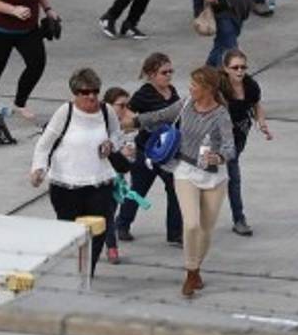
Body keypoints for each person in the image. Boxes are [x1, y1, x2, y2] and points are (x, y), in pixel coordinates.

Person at [124, 66, 236, 298]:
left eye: (194, 85)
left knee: (205, 230)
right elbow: (158, 116)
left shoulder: (221, 114)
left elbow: (230, 146)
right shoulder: (185, 104)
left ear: (207, 89)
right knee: (191, 224)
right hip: (185, 170)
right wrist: (130, 122)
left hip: (214, 176)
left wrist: (219, 157)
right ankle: (190, 271)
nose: (190, 88)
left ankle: (195, 270)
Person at [31, 69, 131, 276]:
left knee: (98, 232)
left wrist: (111, 144)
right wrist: (38, 169)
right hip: (66, 187)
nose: (92, 96)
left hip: (100, 184)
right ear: (75, 93)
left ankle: (87, 274)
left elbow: (117, 133)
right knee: (69, 234)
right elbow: (44, 144)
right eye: (85, 92)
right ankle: (72, 274)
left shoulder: (106, 111)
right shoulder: (65, 112)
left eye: (95, 91)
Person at [115, 52, 183, 248]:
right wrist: (146, 124)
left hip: (167, 152)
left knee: (175, 189)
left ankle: (175, 233)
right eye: (164, 72)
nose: (169, 76)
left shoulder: (172, 91)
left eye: (171, 71)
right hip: (146, 150)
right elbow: (127, 117)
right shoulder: (144, 93)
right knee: (138, 190)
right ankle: (122, 224)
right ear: (152, 74)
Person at [222, 48, 271, 237]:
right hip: (216, 136)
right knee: (210, 178)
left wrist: (262, 123)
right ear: (226, 68)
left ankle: (239, 219)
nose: (240, 71)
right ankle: (196, 220)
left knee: (233, 178)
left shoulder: (250, 86)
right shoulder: (218, 86)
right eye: (235, 67)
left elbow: (256, 105)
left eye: (243, 67)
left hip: (238, 135)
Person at [101, 86, 133, 264]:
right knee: (106, 213)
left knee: (110, 212)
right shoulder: (100, 126)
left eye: (127, 105)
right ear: (108, 105)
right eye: (121, 105)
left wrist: (128, 153)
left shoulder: (123, 126)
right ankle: (111, 247)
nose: (125, 109)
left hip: (116, 177)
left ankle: (110, 246)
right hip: (99, 177)